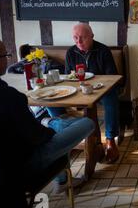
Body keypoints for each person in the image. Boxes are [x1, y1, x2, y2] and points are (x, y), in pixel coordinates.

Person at [0, 36, 95, 208]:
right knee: (86, 124)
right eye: (6, 55)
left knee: (56, 127)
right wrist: (50, 132)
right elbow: (37, 138)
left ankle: (51, 123)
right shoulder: (7, 98)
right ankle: (51, 123)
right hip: (16, 168)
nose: (8, 59)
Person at [47, 23, 120, 163]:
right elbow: (69, 77)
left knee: (111, 98)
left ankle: (110, 141)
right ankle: (67, 134)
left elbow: (112, 76)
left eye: (83, 38)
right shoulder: (71, 52)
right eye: (75, 38)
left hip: (101, 90)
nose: (78, 42)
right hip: (78, 90)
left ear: (92, 36)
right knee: (51, 102)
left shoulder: (103, 50)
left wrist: (96, 85)